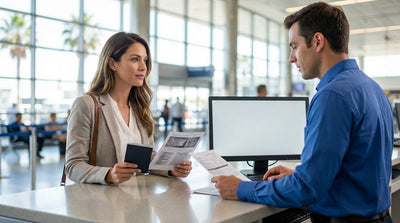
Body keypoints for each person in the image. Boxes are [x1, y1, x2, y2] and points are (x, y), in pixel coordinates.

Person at [211, 2, 393, 223]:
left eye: (294, 46)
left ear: (317, 41)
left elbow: (308, 190)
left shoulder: (332, 96)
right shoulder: (370, 87)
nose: (292, 58)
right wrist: (301, 175)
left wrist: (240, 188)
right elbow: (353, 167)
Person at [65, 32, 192, 185]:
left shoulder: (140, 108)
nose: (143, 67)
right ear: (112, 64)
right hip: (101, 202)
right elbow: (73, 166)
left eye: (145, 60)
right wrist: (108, 174)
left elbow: (148, 158)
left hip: (138, 202)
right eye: (134, 59)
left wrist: (170, 169)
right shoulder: (87, 104)